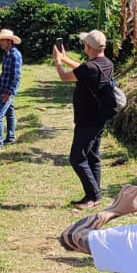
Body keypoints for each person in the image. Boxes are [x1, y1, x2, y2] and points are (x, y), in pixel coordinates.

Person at [52, 29, 114, 209]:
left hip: (87, 120)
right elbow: (83, 69)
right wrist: (64, 58)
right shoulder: (106, 63)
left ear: (87, 47)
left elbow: (65, 77)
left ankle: (93, 195)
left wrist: (58, 61)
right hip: (99, 118)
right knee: (93, 156)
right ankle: (94, 196)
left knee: (77, 158)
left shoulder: (89, 68)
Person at [0, 28, 22, 151]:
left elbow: (16, 76)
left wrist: (9, 92)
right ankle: (10, 138)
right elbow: (4, 73)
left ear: (9, 41)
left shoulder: (15, 55)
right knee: (10, 113)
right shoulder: (7, 54)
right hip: (3, 89)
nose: (0, 43)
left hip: (8, 91)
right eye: (0, 40)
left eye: (2, 40)